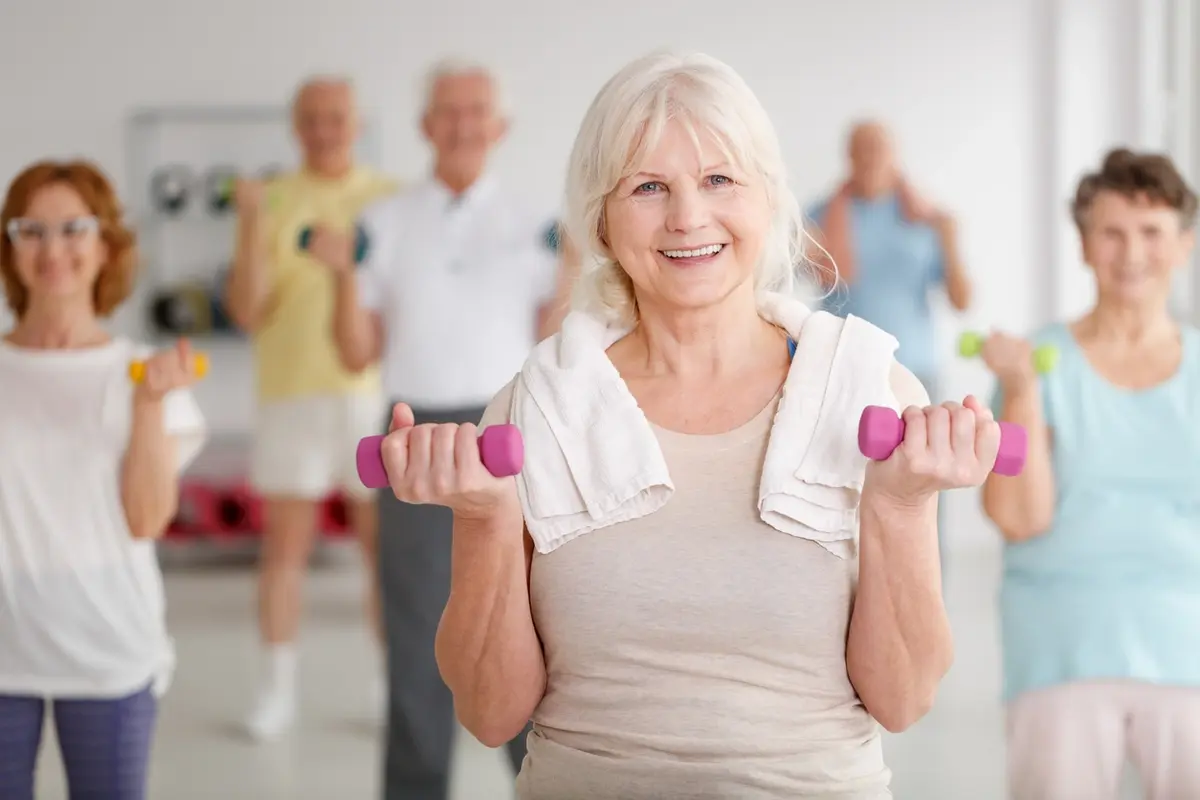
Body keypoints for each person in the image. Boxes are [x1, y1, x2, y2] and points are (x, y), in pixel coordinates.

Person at [373, 51, 1003, 799]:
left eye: (719, 180)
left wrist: (899, 505)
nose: (687, 217)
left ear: (768, 197)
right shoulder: (537, 409)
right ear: (601, 220)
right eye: (648, 186)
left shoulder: (868, 390)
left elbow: (903, 699)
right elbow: (490, 712)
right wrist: (484, 520)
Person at [309, 59, 555, 798]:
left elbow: (556, 343)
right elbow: (355, 351)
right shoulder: (381, 223)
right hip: (412, 434)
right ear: (424, 126)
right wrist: (340, 274)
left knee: (526, 621)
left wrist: (579, 266)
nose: (463, 124)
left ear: (501, 126)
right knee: (414, 628)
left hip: (510, 433)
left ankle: (542, 782)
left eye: (477, 110)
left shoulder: (541, 224)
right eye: (449, 110)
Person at [981, 148, 1200, 800]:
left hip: (1189, 644)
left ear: (1184, 244)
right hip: (1064, 645)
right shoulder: (1036, 363)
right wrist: (1022, 391)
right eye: (1112, 232)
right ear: (1083, 245)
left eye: (1151, 232)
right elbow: (1019, 518)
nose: (1131, 253)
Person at [0, 160, 206, 799]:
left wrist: (148, 405)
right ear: (10, 246)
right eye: (31, 230)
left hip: (108, 644)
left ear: (106, 246)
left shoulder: (145, 372)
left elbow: (147, 519)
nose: (52, 249)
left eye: (73, 229)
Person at [224, 75, 400, 740]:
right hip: (290, 394)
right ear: (295, 127)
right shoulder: (270, 199)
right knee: (284, 553)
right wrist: (249, 222)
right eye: (312, 119)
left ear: (357, 123)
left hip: (371, 395)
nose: (324, 130)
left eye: (336, 117)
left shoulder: (389, 199)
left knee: (383, 555)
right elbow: (246, 310)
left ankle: (391, 690)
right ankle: (276, 693)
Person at [806, 120, 971, 399]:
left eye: (878, 148)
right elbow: (786, 278)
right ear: (849, 156)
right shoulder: (820, 216)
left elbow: (962, 302)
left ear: (895, 154)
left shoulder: (926, 218)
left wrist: (951, 242)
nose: (870, 157)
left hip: (916, 370)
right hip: (843, 372)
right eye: (862, 149)